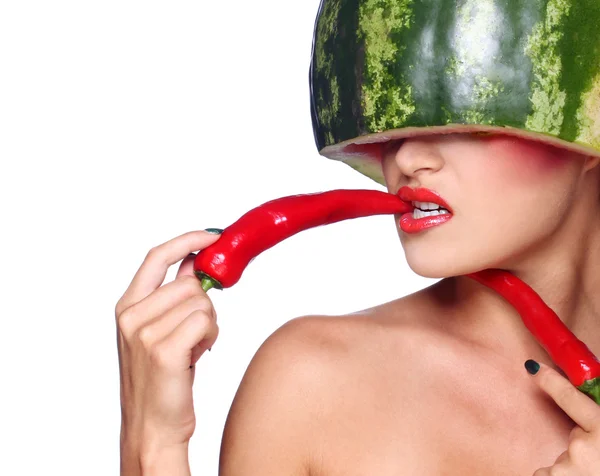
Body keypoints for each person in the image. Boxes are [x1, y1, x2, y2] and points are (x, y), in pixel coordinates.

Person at [116, 1, 600, 474]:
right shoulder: (312, 383)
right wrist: (153, 444)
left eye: (471, 115)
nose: (407, 159)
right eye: (393, 119)